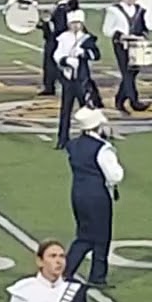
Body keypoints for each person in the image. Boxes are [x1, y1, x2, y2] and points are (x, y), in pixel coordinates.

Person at [64, 107, 124, 287]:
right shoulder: (102, 148)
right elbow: (115, 176)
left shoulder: (73, 145)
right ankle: (96, 275)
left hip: (77, 193)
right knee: (100, 236)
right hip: (97, 195)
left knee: (84, 233)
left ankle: (68, 270)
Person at [53, 0, 101, 149]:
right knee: (65, 110)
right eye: (73, 23)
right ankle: (62, 139)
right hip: (68, 79)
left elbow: (96, 55)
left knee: (86, 109)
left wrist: (84, 54)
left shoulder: (87, 39)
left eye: (78, 23)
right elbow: (57, 54)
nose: (75, 26)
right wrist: (65, 60)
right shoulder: (63, 37)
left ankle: (90, 136)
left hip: (82, 79)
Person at [102, 0, 150, 114]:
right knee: (127, 72)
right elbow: (107, 29)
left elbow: (144, 26)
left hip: (136, 44)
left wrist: (143, 35)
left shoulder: (140, 9)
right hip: (121, 44)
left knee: (133, 72)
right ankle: (134, 101)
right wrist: (119, 35)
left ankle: (120, 99)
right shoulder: (113, 10)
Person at [41, 0, 72, 97]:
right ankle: (51, 86)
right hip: (59, 39)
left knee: (53, 64)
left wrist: (45, 24)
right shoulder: (62, 7)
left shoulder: (62, 8)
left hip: (57, 41)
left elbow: (58, 27)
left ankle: (52, 86)